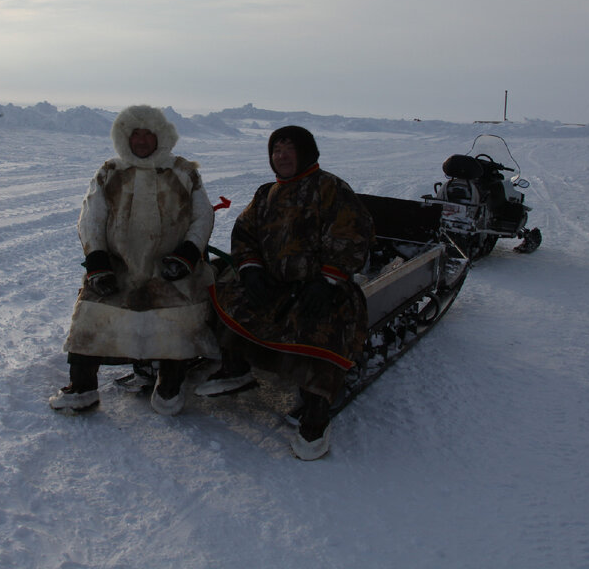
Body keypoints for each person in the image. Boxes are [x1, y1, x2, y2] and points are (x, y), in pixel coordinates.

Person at [197, 125, 373, 460]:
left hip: (319, 287)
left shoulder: (331, 188)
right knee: (225, 295)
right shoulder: (266, 193)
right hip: (274, 285)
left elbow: (354, 235)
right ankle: (236, 368)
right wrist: (250, 269)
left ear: (306, 153)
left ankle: (316, 409)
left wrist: (328, 280)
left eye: (289, 148)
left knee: (323, 327)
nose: (282, 155)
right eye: (276, 150)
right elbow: (245, 233)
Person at [49, 104, 217, 416]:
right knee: (91, 313)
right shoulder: (109, 172)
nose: (140, 141)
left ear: (161, 137)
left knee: (176, 317)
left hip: (171, 267)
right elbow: (91, 218)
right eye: (134, 134)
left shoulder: (183, 172)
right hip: (118, 267)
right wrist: (97, 262)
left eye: (147, 134)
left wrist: (188, 254)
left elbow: (202, 216)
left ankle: (171, 383)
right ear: (124, 137)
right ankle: (83, 387)